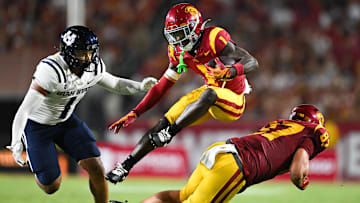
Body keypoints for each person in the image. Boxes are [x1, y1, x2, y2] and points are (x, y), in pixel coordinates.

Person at [106, 3, 259, 184]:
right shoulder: (178, 51)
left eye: (180, 33)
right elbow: (162, 86)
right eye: (173, 34)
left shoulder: (213, 38)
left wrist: (230, 71)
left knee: (208, 94)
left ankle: (169, 133)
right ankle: (125, 166)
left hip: (233, 99)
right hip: (208, 95)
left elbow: (252, 61)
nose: (177, 40)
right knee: (164, 121)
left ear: (195, 28)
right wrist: (136, 112)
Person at [6, 25, 157, 203]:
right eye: (81, 53)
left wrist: (140, 87)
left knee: (96, 167)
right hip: (38, 126)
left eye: (90, 52)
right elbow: (25, 109)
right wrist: (16, 142)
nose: (87, 58)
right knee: (51, 186)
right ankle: (40, 167)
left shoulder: (94, 67)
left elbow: (115, 83)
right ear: (67, 52)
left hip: (65, 122)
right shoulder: (51, 71)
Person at [141, 104, 330, 203]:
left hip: (220, 150)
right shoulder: (311, 133)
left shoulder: (283, 126)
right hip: (237, 165)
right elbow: (297, 171)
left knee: (179, 197)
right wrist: (302, 181)